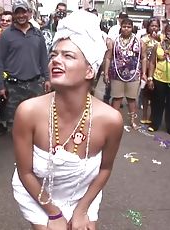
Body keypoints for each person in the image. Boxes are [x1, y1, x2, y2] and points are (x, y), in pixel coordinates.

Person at [12, 10, 123, 230]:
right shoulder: (28, 112)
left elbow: (105, 170)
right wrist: (54, 215)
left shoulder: (111, 119)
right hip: (38, 193)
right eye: (54, 55)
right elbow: (25, 172)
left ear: (90, 70)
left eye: (68, 56)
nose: (55, 61)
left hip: (84, 194)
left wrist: (82, 211)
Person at [0, 0, 51, 130]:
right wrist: (0, 86)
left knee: (38, 119)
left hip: (35, 84)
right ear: (14, 15)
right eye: (17, 12)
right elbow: (0, 62)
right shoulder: (6, 35)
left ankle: (35, 147)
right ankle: (20, 147)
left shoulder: (37, 34)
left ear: (29, 13)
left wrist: (48, 78)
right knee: (14, 122)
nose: (21, 15)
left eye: (23, 12)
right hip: (13, 86)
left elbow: (44, 58)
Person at [104, 18, 147, 129]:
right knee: (117, 98)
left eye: (129, 26)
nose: (126, 29)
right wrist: (106, 73)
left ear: (132, 28)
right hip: (116, 74)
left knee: (131, 99)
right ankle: (114, 121)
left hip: (133, 74)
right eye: (124, 26)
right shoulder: (115, 41)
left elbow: (144, 58)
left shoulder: (139, 42)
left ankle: (133, 121)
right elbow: (108, 58)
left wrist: (144, 73)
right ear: (121, 27)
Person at [147, 24, 170, 136]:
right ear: (164, 32)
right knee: (157, 102)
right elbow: (152, 62)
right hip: (159, 78)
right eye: (168, 31)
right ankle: (155, 124)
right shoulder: (157, 45)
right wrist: (150, 78)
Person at [140, 18, 161, 124]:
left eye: (156, 26)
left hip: (160, 69)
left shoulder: (162, 38)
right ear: (148, 27)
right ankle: (144, 115)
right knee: (145, 93)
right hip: (147, 68)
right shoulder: (144, 39)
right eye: (152, 26)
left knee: (156, 94)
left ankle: (153, 116)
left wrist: (159, 40)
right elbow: (142, 55)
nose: (154, 28)